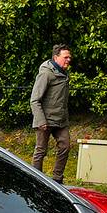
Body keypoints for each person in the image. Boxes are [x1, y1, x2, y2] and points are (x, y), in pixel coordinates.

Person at [29, 44, 73, 182]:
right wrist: (41, 121)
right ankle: (36, 179)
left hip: (60, 120)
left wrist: (65, 118)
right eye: (65, 57)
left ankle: (57, 179)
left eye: (69, 57)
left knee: (65, 146)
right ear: (56, 57)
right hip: (45, 120)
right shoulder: (46, 73)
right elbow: (34, 99)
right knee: (41, 151)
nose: (68, 60)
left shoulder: (64, 74)